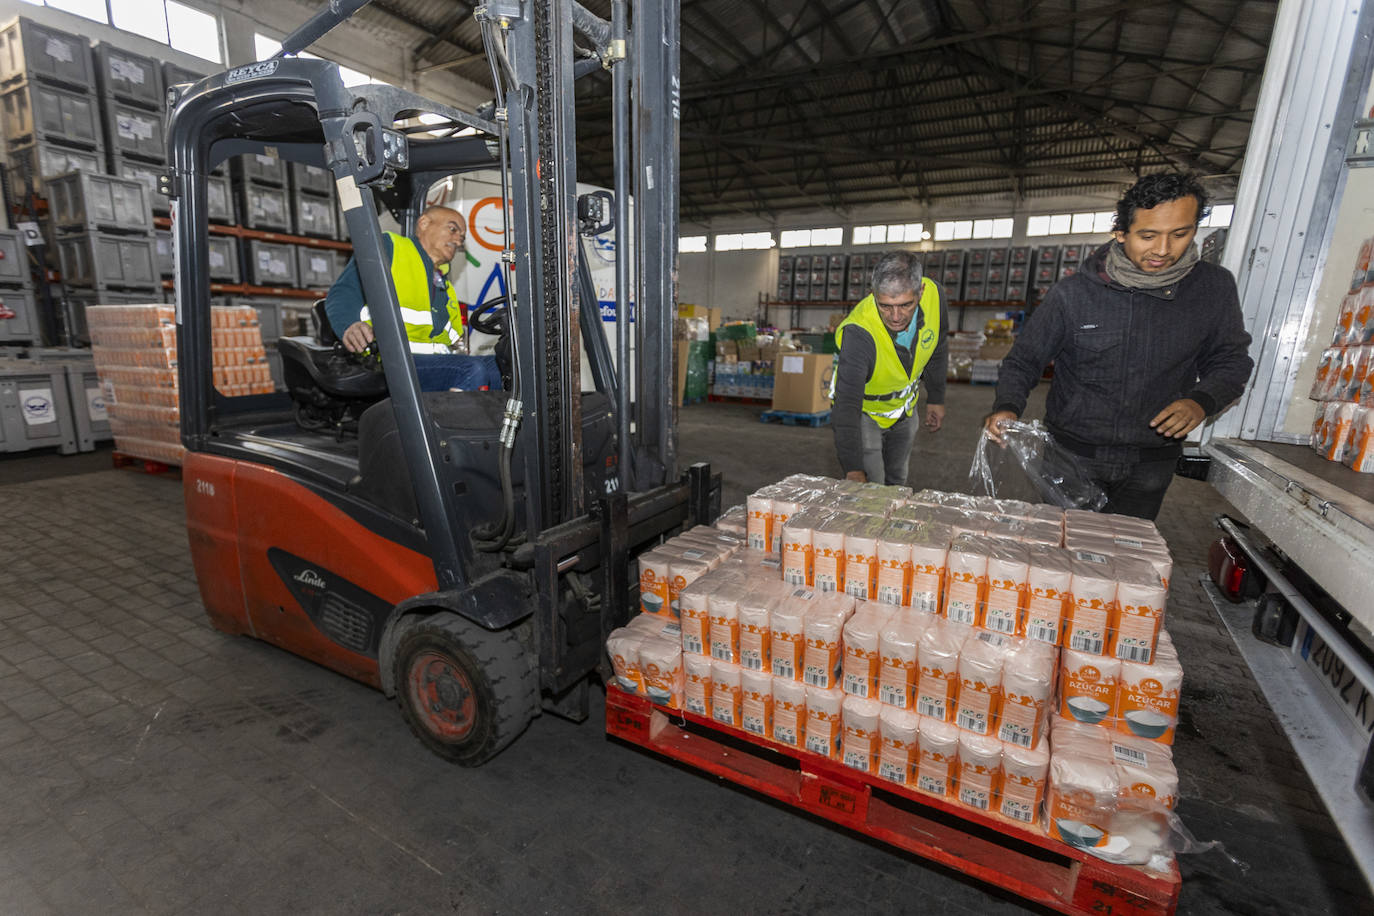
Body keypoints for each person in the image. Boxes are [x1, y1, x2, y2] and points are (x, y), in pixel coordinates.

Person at [983, 172, 1254, 519]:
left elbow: (1231, 360)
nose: (1162, 249)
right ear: (1120, 233)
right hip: (1072, 459)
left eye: (1180, 234)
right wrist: (1007, 405)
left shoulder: (1212, 289)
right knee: (1066, 556)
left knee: (1126, 561)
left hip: (1150, 466)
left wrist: (1201, 401)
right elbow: (1024, 360)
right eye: (1147, 235)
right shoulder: (1074, 294)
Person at [325, 205, 502, 392]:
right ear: (424, 223)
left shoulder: (444, 285)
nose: (459, 240)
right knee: (472, 370)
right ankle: (446, 420)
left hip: (431, 363)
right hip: (390, 361)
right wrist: (349, 325)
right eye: (453, 229)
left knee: (507, 367)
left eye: (462, 237)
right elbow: (344, 291)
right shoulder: (391, 247)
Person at [830, 250, 948, 485]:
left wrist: (936, 397)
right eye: (885, 306)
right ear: (873, 294)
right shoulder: (859, 333)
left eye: (906, 305)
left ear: (920, 291)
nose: (895, 317)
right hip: (866, 415)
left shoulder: (934, 296)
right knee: (874, 488)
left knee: (898, 480)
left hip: (905, 409)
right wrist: (853, 469)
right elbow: (846, 405)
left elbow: (939, 343)